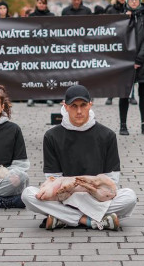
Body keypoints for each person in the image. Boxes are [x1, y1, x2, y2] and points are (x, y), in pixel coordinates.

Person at [22, 85, 137, 231]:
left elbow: (112, 181)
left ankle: (63, 218)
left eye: (83, 105)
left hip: (96, 197)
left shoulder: (107, 135)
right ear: (65, 106)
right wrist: (81, 185)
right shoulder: (52, 136)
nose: (79, 111)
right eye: (73, 106)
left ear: (90, 105)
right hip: (65, 198)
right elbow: (53, 179)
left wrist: (78, 185)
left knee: (129, 197)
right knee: (28, 195)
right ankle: (90, 221)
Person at [118, 0, 144, 136]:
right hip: (126, 62)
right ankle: (123, 124)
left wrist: (139, 59)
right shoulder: (121, 17)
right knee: (124, 93)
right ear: (127, 0)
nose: (134, 1)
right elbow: (118, 39)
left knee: (143, 93)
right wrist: (126, 20)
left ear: (140, 0)